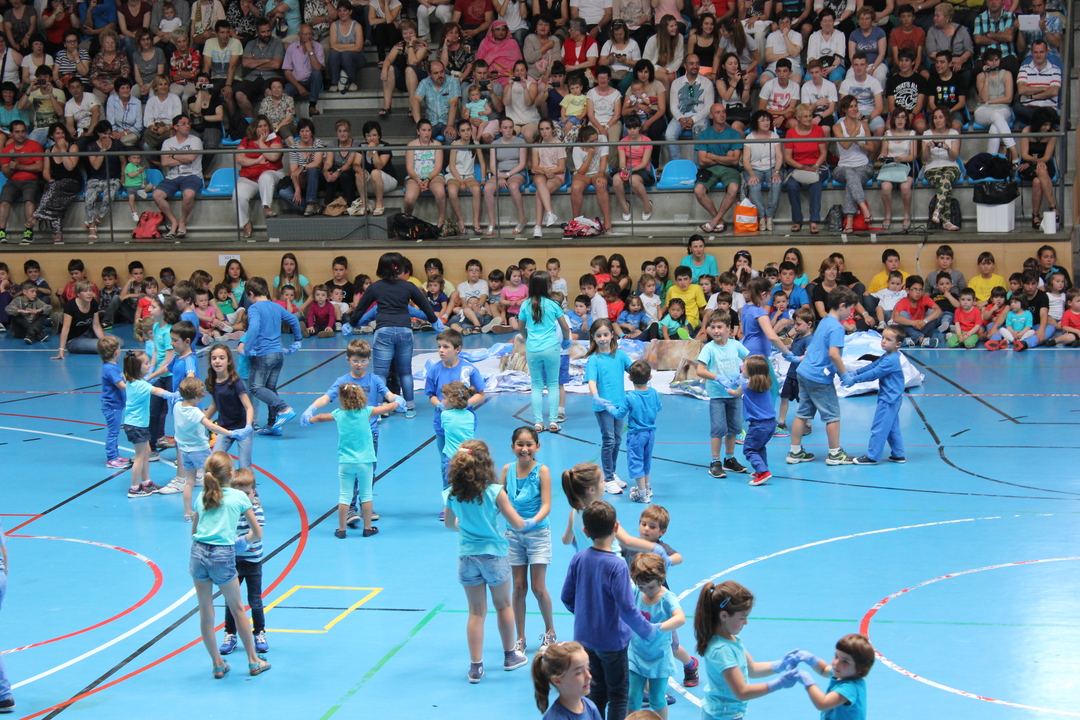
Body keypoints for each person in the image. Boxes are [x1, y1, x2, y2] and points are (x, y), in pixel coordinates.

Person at [443, 438, 532, 682]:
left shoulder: (452, 493)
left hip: (467, 556)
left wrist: (466, 525)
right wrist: (531, 522)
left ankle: (475, 667)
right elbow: (517, 523)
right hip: (493, 555)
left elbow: (450, 524)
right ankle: (510, 656)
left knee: (476, 612)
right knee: (503, 605)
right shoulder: (494, 491)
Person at [562, 500, 659, 718]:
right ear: (616, 527)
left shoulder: (578, 558)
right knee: (618, 693)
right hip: (612, 642)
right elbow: (627, 608)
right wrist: (648, 630)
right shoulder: (617, 565)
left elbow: (566, 596)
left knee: (596, 690)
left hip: (585, 639)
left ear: (585, 531)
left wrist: (586, 615)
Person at [189, 451, 270, 678]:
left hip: (198, 554)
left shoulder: (202, 496)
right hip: (222, 555)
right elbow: (257, 533)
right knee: (237, 608)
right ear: (231, 474)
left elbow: (194, 532)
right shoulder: (239, 498)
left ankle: (217, 664)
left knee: (206, 611)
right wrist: (241, 542)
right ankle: (254, 661)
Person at [347, 252, 440, 416]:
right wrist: (434, 320)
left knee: (381, 374)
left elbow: (360, 308)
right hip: (405, 331)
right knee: (405, 372)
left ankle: (380, 409)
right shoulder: (408, 286)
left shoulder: (375, 287)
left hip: (384, 331)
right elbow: (425, 305)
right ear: (400, 268)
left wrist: (352, 323)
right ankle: (409, 407)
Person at [693, 581, 799, 720]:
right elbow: (742, 692)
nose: (746, 622)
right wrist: (779, 684)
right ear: (724, 616)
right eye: (742, 618)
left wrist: (781, 665)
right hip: (723, 716)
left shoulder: (731, 638)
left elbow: (752, 669)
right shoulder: (722, 650)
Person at [309, 381, 397, 537]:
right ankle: (367, 527)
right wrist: (397, 402)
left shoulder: (338, 414)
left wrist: (310, 419)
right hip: (365, 462)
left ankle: (341, 529)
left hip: (346, 462)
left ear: (342, 399)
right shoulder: (366, 412)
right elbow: (388, 407)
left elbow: (322, 417)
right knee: (366, 495)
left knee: (344, 495)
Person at [787, 285, 858, 466]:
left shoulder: (825, 320)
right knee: (832, 415)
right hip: (818, 377)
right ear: (842, 305)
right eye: (851, 309)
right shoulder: (837, 327)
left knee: (802, 413)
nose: (851, 313)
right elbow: (834, 354)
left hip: (804, 371)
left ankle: (795, 452)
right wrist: (844, 375)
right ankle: (835, 454)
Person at [244, 276, 302, 434]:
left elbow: (254, 327)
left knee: (256, 387)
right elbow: (294, 320)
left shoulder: (255, 308)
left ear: (251, 293)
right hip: (278, 354)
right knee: (270, 388)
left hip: (263, 354)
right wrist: (297, 340)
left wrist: (248, 348)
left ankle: (284, 408)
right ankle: (273, 425)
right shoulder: (276, 306)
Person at [695, 310, 749, 477]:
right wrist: (717, 377)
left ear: (728, 328)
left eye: (719, 327)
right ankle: (715, 461)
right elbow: (700, 370)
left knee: (734, 428)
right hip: (718, 396)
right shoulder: (709, 348)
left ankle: (729, 458)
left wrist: (743, 373)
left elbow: (748, 358)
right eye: (713, 327)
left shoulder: (735, 345)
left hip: (734, 395)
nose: (716, 331)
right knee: (718, 429)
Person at [787, 634, 874, 716]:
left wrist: (808, 682)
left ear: (860, 669)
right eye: (836, 656)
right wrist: (812, 659)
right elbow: (823, 669)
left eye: (845, 661)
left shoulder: (849, 688)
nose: (836, 663)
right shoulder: (843, 674)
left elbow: (822, 704)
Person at [693, 104, 741, 234]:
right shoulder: (704, 135)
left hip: (730, 169)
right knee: (698, 190)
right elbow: (702, 160)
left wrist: (712, 156)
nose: (722, 115)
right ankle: (719, 220)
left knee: (733, 188)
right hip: (709, 169)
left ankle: (714, 221)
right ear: (711, 116)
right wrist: (725, 157)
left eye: (723, 112)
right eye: (718, 112)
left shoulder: (734, 134)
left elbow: (735, 160)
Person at [153, 114, 202, 238]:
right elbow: (165, 162)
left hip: (192, 175)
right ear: (175, 127)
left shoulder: (195, 140)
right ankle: (173, 221)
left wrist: (173, 155)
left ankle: (182, 222)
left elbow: (191, 158)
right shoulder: (167, 142)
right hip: (172, 176)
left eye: (188, 123)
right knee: (157, 195)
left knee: (189, 194)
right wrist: (184, 157)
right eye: (184, 124)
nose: (187, 126)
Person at [832, 94, 876, 232]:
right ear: (844, 109)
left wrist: (860, 143)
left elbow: (871, 148)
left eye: (855, 106)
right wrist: (857, 127)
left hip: (863, 166)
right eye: (851, 107)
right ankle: (863, 207)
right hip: (843, 167)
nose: (854, 109)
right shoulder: (837, 127)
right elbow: (845, 145)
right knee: (850, 173)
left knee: (852, 179)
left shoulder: (864, 125)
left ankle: (849, 220)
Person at [783, 103, 827, 234]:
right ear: (798, 118)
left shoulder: (818, 130)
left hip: (817, 165)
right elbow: (787, 158)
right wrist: (802, 167)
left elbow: (823, 153)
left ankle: (814, 220)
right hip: (798, 166)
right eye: (806, 116)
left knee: (816, 183)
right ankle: (797, 220)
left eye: (810, 116)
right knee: (791, 185)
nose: (809, 119)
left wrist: (815, 166)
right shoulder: (791, 133)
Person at [533, 641, 602, 720]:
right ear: (557, 680)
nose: (589, 676)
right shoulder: (556, 718)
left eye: (588, 668)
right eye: (579, 673)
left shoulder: (590, 707)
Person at [0, 120, 43, 245]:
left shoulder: (35, 145)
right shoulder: (7, 150)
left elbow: (39, 167)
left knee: (29, 200)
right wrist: (12, 162)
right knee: (4, 201)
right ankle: (1, 231)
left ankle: (28, 231)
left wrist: (19, 166)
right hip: (13, 181)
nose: (21, 134)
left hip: (31, 180)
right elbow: (7, 173)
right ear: (11, 134)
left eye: (23, 131)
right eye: (17, 132)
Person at [664, 54, 712, 162]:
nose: (695, 66)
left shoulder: (707, 83)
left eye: (697, 63)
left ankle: (697, 166)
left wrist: (693, 120)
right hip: (680, 117)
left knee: (699, 131)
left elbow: (708, 107)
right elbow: (673, 106)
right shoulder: (676, 83)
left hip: (700, 117)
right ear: (685, 65)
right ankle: (677, 165)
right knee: (669, 135)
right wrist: (681, 119)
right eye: (691, 64)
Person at [483, 116, 527, 235]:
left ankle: (522, 218)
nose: (508, 130)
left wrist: (507, 175)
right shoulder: (495, 143)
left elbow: (522, 164)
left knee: (513, 186)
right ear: (500, 129)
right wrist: (499, 176)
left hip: (516, 172)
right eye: (505, 128)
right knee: (487, 188)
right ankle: (492, 222)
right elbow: (492, 164)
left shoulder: (520, 142)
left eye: (510, 127)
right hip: (499, 172)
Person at [233, 19, 286, 118]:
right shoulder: (251, 44)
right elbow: (245, 63)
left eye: (268, 31)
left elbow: (276, 65)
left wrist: (254, 62)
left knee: (270, 93)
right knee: (239, 95)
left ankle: (271, 123)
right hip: (252, 77)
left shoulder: (277, 43)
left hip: (271, 77)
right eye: (263, 32)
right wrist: (267, 60)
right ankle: (253, 122)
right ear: (257, 32)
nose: (267, 34)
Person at [1017, 106, 1058, 229]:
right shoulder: (1026, 131)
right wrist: (1033, 163)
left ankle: (1035, 216)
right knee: (1041, 170)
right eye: (1044, 125)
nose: (1047, 128)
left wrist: (1038, 162)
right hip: (1027, 163)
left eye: (1049, 125)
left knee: (1037, 181)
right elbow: (1024, 154)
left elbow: (1047, 157)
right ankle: (1053, 207)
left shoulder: (1052, 134)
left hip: (1044, 163)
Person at [922, 105, 961, 230]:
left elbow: (954, 157)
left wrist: (948, 149)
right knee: (945, 182)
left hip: (951, 166)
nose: (937, 120)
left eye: (940, 117)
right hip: (932, 167)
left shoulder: (954, 133)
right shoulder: (927, 134)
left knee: (946, 179)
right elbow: (926, 158)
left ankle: (937, 210)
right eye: (935, 118)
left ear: (946, 119)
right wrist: (927, 148)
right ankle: (946, 221)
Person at [741, 110, 782, 229]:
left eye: (768, 120)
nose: (766, 123)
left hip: (772, 168)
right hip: (754, 169)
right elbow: (745, 160)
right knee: (754, 186)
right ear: (756, 123)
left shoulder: (774, 136)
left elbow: (779, 156)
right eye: (763, 120)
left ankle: (770, 216)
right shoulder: (749, 137)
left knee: (776, 184)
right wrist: (752, 174)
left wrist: (776, 172)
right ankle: (761, 216)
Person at [379, 19, 429, 117]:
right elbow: (389, 59)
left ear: (415, 33)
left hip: (420, 79)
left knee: (410, 69)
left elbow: (413, 62)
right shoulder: (399, 45)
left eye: (411, 33)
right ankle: (387, 106)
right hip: (405, 78)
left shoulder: (422, 45)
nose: (408, 35)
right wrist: (384, 69)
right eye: (405, 33)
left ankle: (412, 106)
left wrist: (411, 46)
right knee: (390, 68)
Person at [973, 47, 1015, 159]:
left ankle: (990, 160)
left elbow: (1008, 99)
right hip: (983, 110)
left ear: (1000, 60)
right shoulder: (980, 76)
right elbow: (984, 97)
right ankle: (1013, 149)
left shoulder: (1007, 74)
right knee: (996, 116)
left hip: (1003, 108)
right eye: (990, 60)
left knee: (995, 128)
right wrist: (986, 77)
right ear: (985, 62)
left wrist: (989, 101)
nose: (994, 63)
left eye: (996, 60)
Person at [878, 108, 917, 230]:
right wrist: (882, 157)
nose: (900, 120)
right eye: (897, 117)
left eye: (903, 117)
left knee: (905, 187)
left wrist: (902, 159)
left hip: (906, 164)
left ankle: (907, 215)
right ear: (893, 120)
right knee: (885, 187)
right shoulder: (887, 134)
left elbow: (913, 156)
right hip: (890, 165)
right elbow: (884, 152)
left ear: (906, 120)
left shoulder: (912, 134)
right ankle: (887, 214)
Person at [612, 114, 654, 223]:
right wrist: (624, 169)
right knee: (616, 179)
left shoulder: (647, 141)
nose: (632, 131)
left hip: (642, 170)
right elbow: (622, 161)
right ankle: (625, 207)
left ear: (639, 127)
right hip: (627, 169)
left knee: (633, 180)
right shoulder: (622, 142)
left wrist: (631, 171)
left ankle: (647, 206)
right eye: (629, 128)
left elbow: (644, 163)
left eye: (634, 128)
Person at [280, 118, 324, 216]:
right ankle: (311, 207)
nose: (304, 134)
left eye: (307, 131)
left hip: (316, 179)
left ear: (311, 133)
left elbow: (317, 163)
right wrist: (297, 189)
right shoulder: (294, 148)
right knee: (284, 192)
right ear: (299, 133)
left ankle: (311, 202)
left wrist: (302, 167)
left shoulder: (318, 143)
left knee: (312, 170)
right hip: (300, 180)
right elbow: (293, 171)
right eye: (302, 131)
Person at [1013, 39, 1059, 126]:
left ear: (1047, 52)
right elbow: (1022, 90)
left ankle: (1039, 121)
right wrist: (1044, 88)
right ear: (1031, 53)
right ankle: (1048, 120)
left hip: (1047, 107)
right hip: (1028, 108)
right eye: (1035, 52)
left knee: (1048, 112)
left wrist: (1032, 96)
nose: (1038, 55)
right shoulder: (1024, 68)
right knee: (1017, 107)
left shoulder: (1055, 70)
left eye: (1041, 52)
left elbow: (1053, 91)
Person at [282, 24, 325, 116]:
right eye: (305, 34)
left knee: (316, 74)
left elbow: (317, 68)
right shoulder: (291, 48)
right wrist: (299, 87)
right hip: (296, 82)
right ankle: (291, 116)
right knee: (286, 92)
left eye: (310, 34)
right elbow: (287, 71)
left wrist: (310, 51)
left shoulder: (318, 47)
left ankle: (312, 106)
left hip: (311, 82)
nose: (308, 36)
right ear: (299, 35)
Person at [412, 60, 460, 139]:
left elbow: (454, 103)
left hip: (448, 122)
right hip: (431, 123)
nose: (440, 75)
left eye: (442, 72)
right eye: (436, 73)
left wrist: (450, 125)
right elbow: (415, 100)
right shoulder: (424, 83)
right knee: (419, 140)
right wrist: (420, 124)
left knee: (450, 139)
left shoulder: (453, 82)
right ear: (429, 74)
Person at [839, 52, 883, 133]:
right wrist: (853, 116)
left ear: (866, 66)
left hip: (870, 113)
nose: (859, 68)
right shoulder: (845, 83)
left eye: (862, 65)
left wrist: (868, 118)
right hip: (851, 114)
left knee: (880, 128)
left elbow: (879, 108)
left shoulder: (874, 82)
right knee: (838, 128)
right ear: (852, 66)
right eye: (856, 65)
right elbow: (844, 106)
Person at [885, 47, 928, 132]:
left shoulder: (921, 80)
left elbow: (919, 104)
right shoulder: (892, 80)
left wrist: (911, 115)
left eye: (906, 60)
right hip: (896, 114)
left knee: (921, 126)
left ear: (913, 62)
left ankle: (915, 141)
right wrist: (899, 117)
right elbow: (891, 105)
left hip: (914, 113)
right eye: (901, 60)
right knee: (889, 127)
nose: (903, 63)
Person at [973, 0, 1017, 76]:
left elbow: (1009, 37)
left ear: (1002, 2)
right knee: (976, 70)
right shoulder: (979, 18)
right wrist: (1002, 37)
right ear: (987, 3)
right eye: (990, 0)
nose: (993, 2)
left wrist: (989, 35)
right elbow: (978, 40)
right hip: (985, 57)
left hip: (1005, 56)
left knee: (1012, 65)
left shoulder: (1010, 16)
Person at [328, 2, 365, 92]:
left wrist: (340, 48)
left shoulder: (357, 26)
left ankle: (353, 82)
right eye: (340, 11)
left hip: (357, 58)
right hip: (340, 57)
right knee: (334, 54)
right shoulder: (334, 25)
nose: (342, 13)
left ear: (350, 12)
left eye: (345, 10)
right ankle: (334, 83)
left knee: (346, 55)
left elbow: (358, 47)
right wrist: (352, 45)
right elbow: (332, 45)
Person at [642, 14, 683, 90]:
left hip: (670, 69)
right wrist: (658, 68)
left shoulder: (680, 38)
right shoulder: (652, 40)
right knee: (665, 78)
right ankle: (665, 98)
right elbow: (645, 61)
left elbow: (680, 58)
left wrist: (669, 70)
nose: (675, 28)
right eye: (671, 26)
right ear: (665, 28)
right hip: (653, 69)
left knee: (668, 78)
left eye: (675, 25)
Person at [807, 8, 846, 82]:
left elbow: (840, 56)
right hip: (817, 66)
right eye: (824, 21)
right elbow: (811, 56)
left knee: (835, 77)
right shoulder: (814, 36)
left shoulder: (840, 35)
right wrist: (819, 70)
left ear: (834, 22)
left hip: (835, 66)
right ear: (820, 23)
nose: (827, 24)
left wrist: (832, 68)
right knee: (808, 78)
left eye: (830, 21)